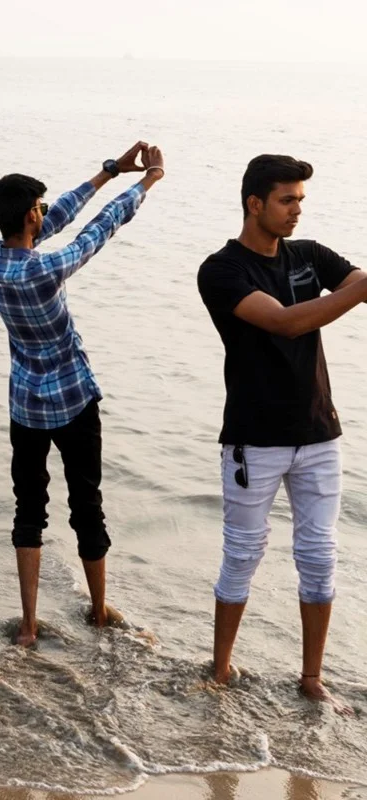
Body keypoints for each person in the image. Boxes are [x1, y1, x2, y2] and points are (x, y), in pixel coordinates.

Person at [0, 142, 165, 647]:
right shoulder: (44, 270)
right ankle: (100, 611)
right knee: (87, 506)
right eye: (38, 209)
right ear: (28, 215)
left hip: (25, 403)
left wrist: (108, 171)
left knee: (28, 508)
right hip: (74, 401)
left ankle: (29, 625)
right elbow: (98, 229)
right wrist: (147, 181)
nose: (45, 213)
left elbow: (56, 217)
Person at [198, 155, 367, 714]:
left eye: (300, 200)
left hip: (320, 431)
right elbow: (286, 322)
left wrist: (360, 286)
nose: (297, 210)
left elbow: (357, 278)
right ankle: (221, 667)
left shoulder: (308, 255)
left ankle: (312, 677)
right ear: (255, 204)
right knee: (243, 553)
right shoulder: (221, 271)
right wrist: (358, 292)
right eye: (287, 200)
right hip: (254, 437)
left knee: (320, 556)